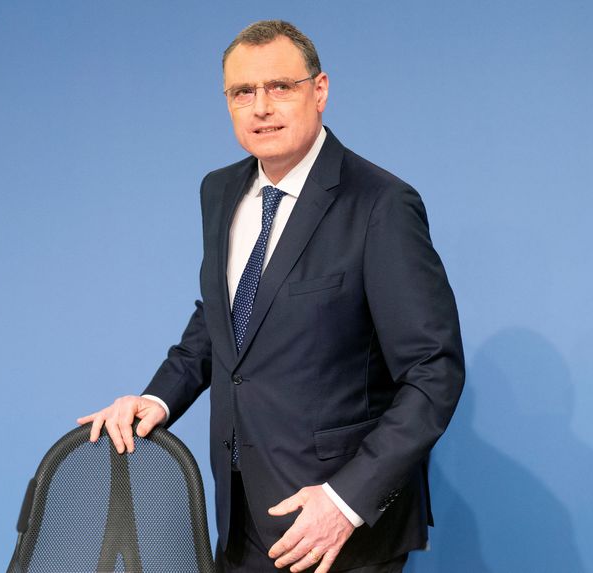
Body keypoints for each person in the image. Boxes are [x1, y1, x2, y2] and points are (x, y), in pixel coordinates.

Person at [77, 20, 464, 573]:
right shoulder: (220, 190)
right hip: (240, 520)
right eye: (243, 92)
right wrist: (156, 400)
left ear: (319, 89)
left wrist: (345, 501)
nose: (261, 106)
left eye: (280, 86)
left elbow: (434, 372)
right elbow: (224, 320)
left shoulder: (380, 204)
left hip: (334, 533)